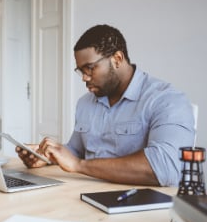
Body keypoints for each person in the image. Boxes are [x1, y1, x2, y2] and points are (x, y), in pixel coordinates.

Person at [16, 24, 195, 186]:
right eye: (81, 71)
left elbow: (166, 168)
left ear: (117, 59)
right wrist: (47, 156)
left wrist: (79, 165)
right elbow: (76, 151)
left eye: (90, 68)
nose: (84, 78)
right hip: (82, 194)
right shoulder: (85, 103)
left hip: (139, 206)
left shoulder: (166, 100)